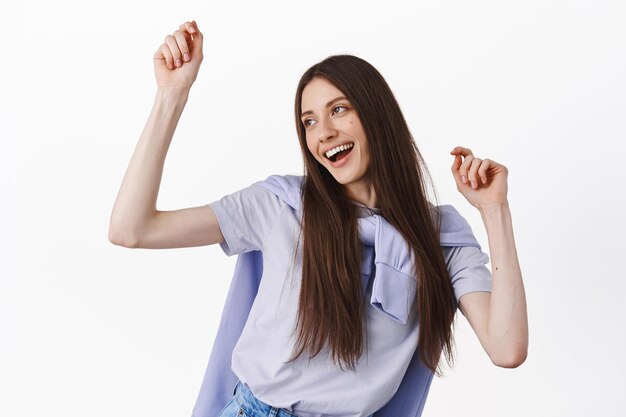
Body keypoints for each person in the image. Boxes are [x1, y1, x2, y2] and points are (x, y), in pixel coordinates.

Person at [109, 20, 528, 417]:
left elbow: (506, 349)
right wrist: (171, 95)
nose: (322, 132)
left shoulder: (440, 239)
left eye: (339, 110)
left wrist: (495, 211)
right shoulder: (281, 205)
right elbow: (132, 229)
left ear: (377, 116)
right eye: (309, 121)